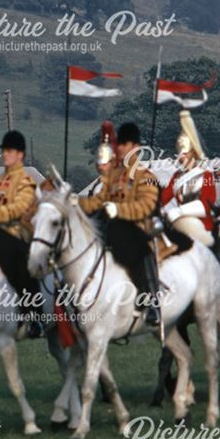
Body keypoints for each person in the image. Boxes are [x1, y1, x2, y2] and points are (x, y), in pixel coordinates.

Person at [80, 121, 162, 326]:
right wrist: (76, 203)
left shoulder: (147, 176)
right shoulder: (114, 177)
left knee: (142, 249)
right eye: (121, 144)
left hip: (137, 227)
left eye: (125, 145)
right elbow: (97, 202)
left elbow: (147, 206)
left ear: (135, 147)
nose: (121, 148)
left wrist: (119, 209)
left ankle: (152, 302)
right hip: (113, 228)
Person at [0, 130, 43, 338]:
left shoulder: (26, 182)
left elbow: (19, 207)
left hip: (17, 234)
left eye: (9, 150)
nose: (4, 154)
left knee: (24, 267)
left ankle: (34, 317)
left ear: (20, 155)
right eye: (3, 150)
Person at [160, 109, 215, 246]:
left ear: (193, 152)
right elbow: (163, 199)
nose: (181, 156)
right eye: (179, 153)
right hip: (181, 226)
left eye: (184, 153)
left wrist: (179, 211)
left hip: (202, 228)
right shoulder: (177, 176)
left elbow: (206, 205)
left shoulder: (205, 175)